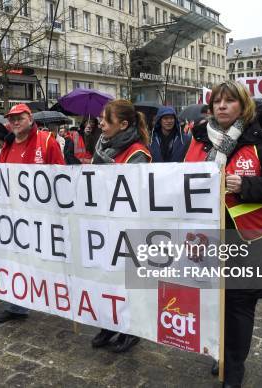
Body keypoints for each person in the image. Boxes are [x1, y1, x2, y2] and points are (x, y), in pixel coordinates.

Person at [184, 81, 262, 388]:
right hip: (205, 240)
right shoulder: (197, 140)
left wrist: (245, 187)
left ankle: (233, 369)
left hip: (250, 242)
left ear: (242, 105)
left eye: (229, 101)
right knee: (212, 302)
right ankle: (219, 352)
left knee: (239, 306)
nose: (221, 106)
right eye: (216, 101)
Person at [0, 103, 65, 323]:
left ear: (30, 118)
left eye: (19, 118)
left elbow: (62, 177)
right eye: (11, 118)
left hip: (41, 216)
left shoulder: (45, 141)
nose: (15, 122)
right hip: (14, 216)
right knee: (15, 261)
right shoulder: (7, 145)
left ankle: (61, 299)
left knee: (46, 262)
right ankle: (16, 306)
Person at [90, 99, 151, 353]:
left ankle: (132, 330)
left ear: (123, 124)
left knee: (129, 283)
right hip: (105, 225)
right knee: (106, 279)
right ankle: (109, 324)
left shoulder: (138, 152)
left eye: (106, 119)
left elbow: (130, 192)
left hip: (129, 227)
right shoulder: (102, 146)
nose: (100, 123)